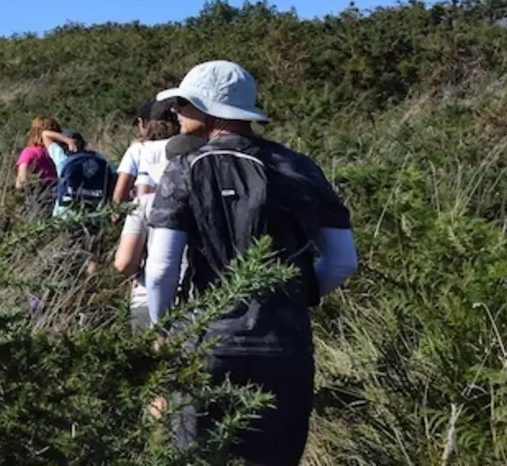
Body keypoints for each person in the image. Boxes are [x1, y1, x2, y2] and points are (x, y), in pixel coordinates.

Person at [143, 60, 359, 466]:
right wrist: (295, 295)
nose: (176, 113)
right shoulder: (299, 167)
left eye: (183, 104)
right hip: (285, 344)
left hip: (205, 342)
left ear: (209, 111)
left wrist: (164, 330)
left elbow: (161, 269)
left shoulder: (183, 169)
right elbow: (343, 261)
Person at [114, 132, 207, 331]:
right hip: (204, 299)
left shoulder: (144, 203)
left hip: (147, 300)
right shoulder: (214, 202)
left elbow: (124, 263)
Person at [112, 101, 180, 204]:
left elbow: (120, 193)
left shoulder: (138, 149)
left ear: (144, 122)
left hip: (144, 212)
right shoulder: (184, 147)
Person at [16, 116, 61, 217]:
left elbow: (21, 182)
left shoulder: (29, 152)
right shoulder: (58, 153)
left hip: (37, 201)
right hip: (58, 198)